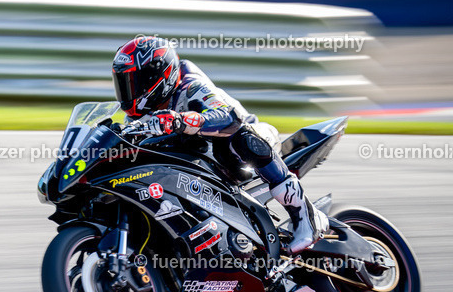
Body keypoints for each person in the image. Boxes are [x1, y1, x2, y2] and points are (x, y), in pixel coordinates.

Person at [111, 35, 329, 253]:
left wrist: (181, 121)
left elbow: (229, 119)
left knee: (239, 140)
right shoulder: (140, 117)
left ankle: (304, 215)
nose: (130, 90)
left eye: (134, 82)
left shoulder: (191, 87)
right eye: (124, 83)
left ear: (157, 76)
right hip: (202, 164)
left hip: (247, 146)